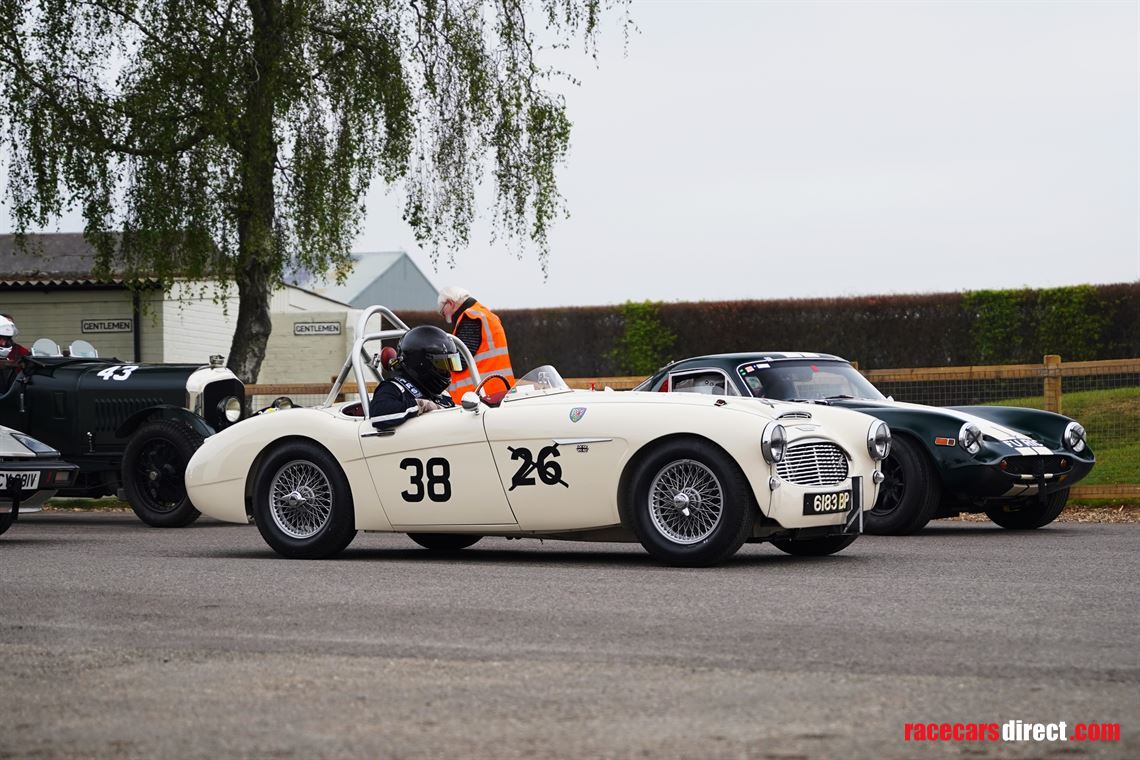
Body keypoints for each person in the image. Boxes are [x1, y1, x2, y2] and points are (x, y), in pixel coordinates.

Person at [369, 325, 459, 429]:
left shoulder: (443, 395)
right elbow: (379, 415)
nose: (446, 371)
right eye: (441, 365)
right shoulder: (393, 388)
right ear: (421, 364)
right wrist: (420, 405)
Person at [436, 285, 515, 404]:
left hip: (479, 398)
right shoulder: (484, 314)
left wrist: (435, 363)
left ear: (450, 303)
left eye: (443, 312)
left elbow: (460, 361)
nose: (444, 316)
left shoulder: (470, 318)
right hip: (497, 391)